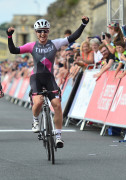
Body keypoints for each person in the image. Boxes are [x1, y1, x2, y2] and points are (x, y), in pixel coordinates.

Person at [6, 16, 90, 148]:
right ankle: (35, 120)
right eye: (39, 31)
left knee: (57, 105)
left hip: (49, 77)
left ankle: (58, 137)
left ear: (48, 31)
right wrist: (10, 37)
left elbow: (72, 38)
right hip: (36, 77)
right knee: (38, 101)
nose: (42, 34)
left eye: (45, 31)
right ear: (36, 33)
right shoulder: (31, 46)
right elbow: (13, 50)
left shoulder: (54, 43)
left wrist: (83, 24)